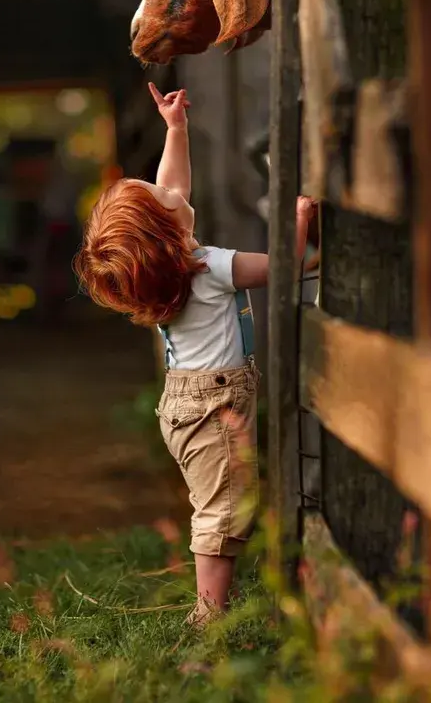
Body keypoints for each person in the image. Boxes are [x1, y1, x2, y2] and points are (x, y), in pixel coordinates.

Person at [74, 83, 316, 626]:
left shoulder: (167, 276)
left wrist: (175, 129)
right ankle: (209, 615)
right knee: (222, 510)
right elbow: (285, 265)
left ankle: (221, 600)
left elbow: (173, 186)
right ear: (171, 234)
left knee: (223, 498)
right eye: (164, 201)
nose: (174, 192)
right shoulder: (211, 266)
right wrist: (298, 224)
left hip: (183, 403)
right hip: (215, 407)